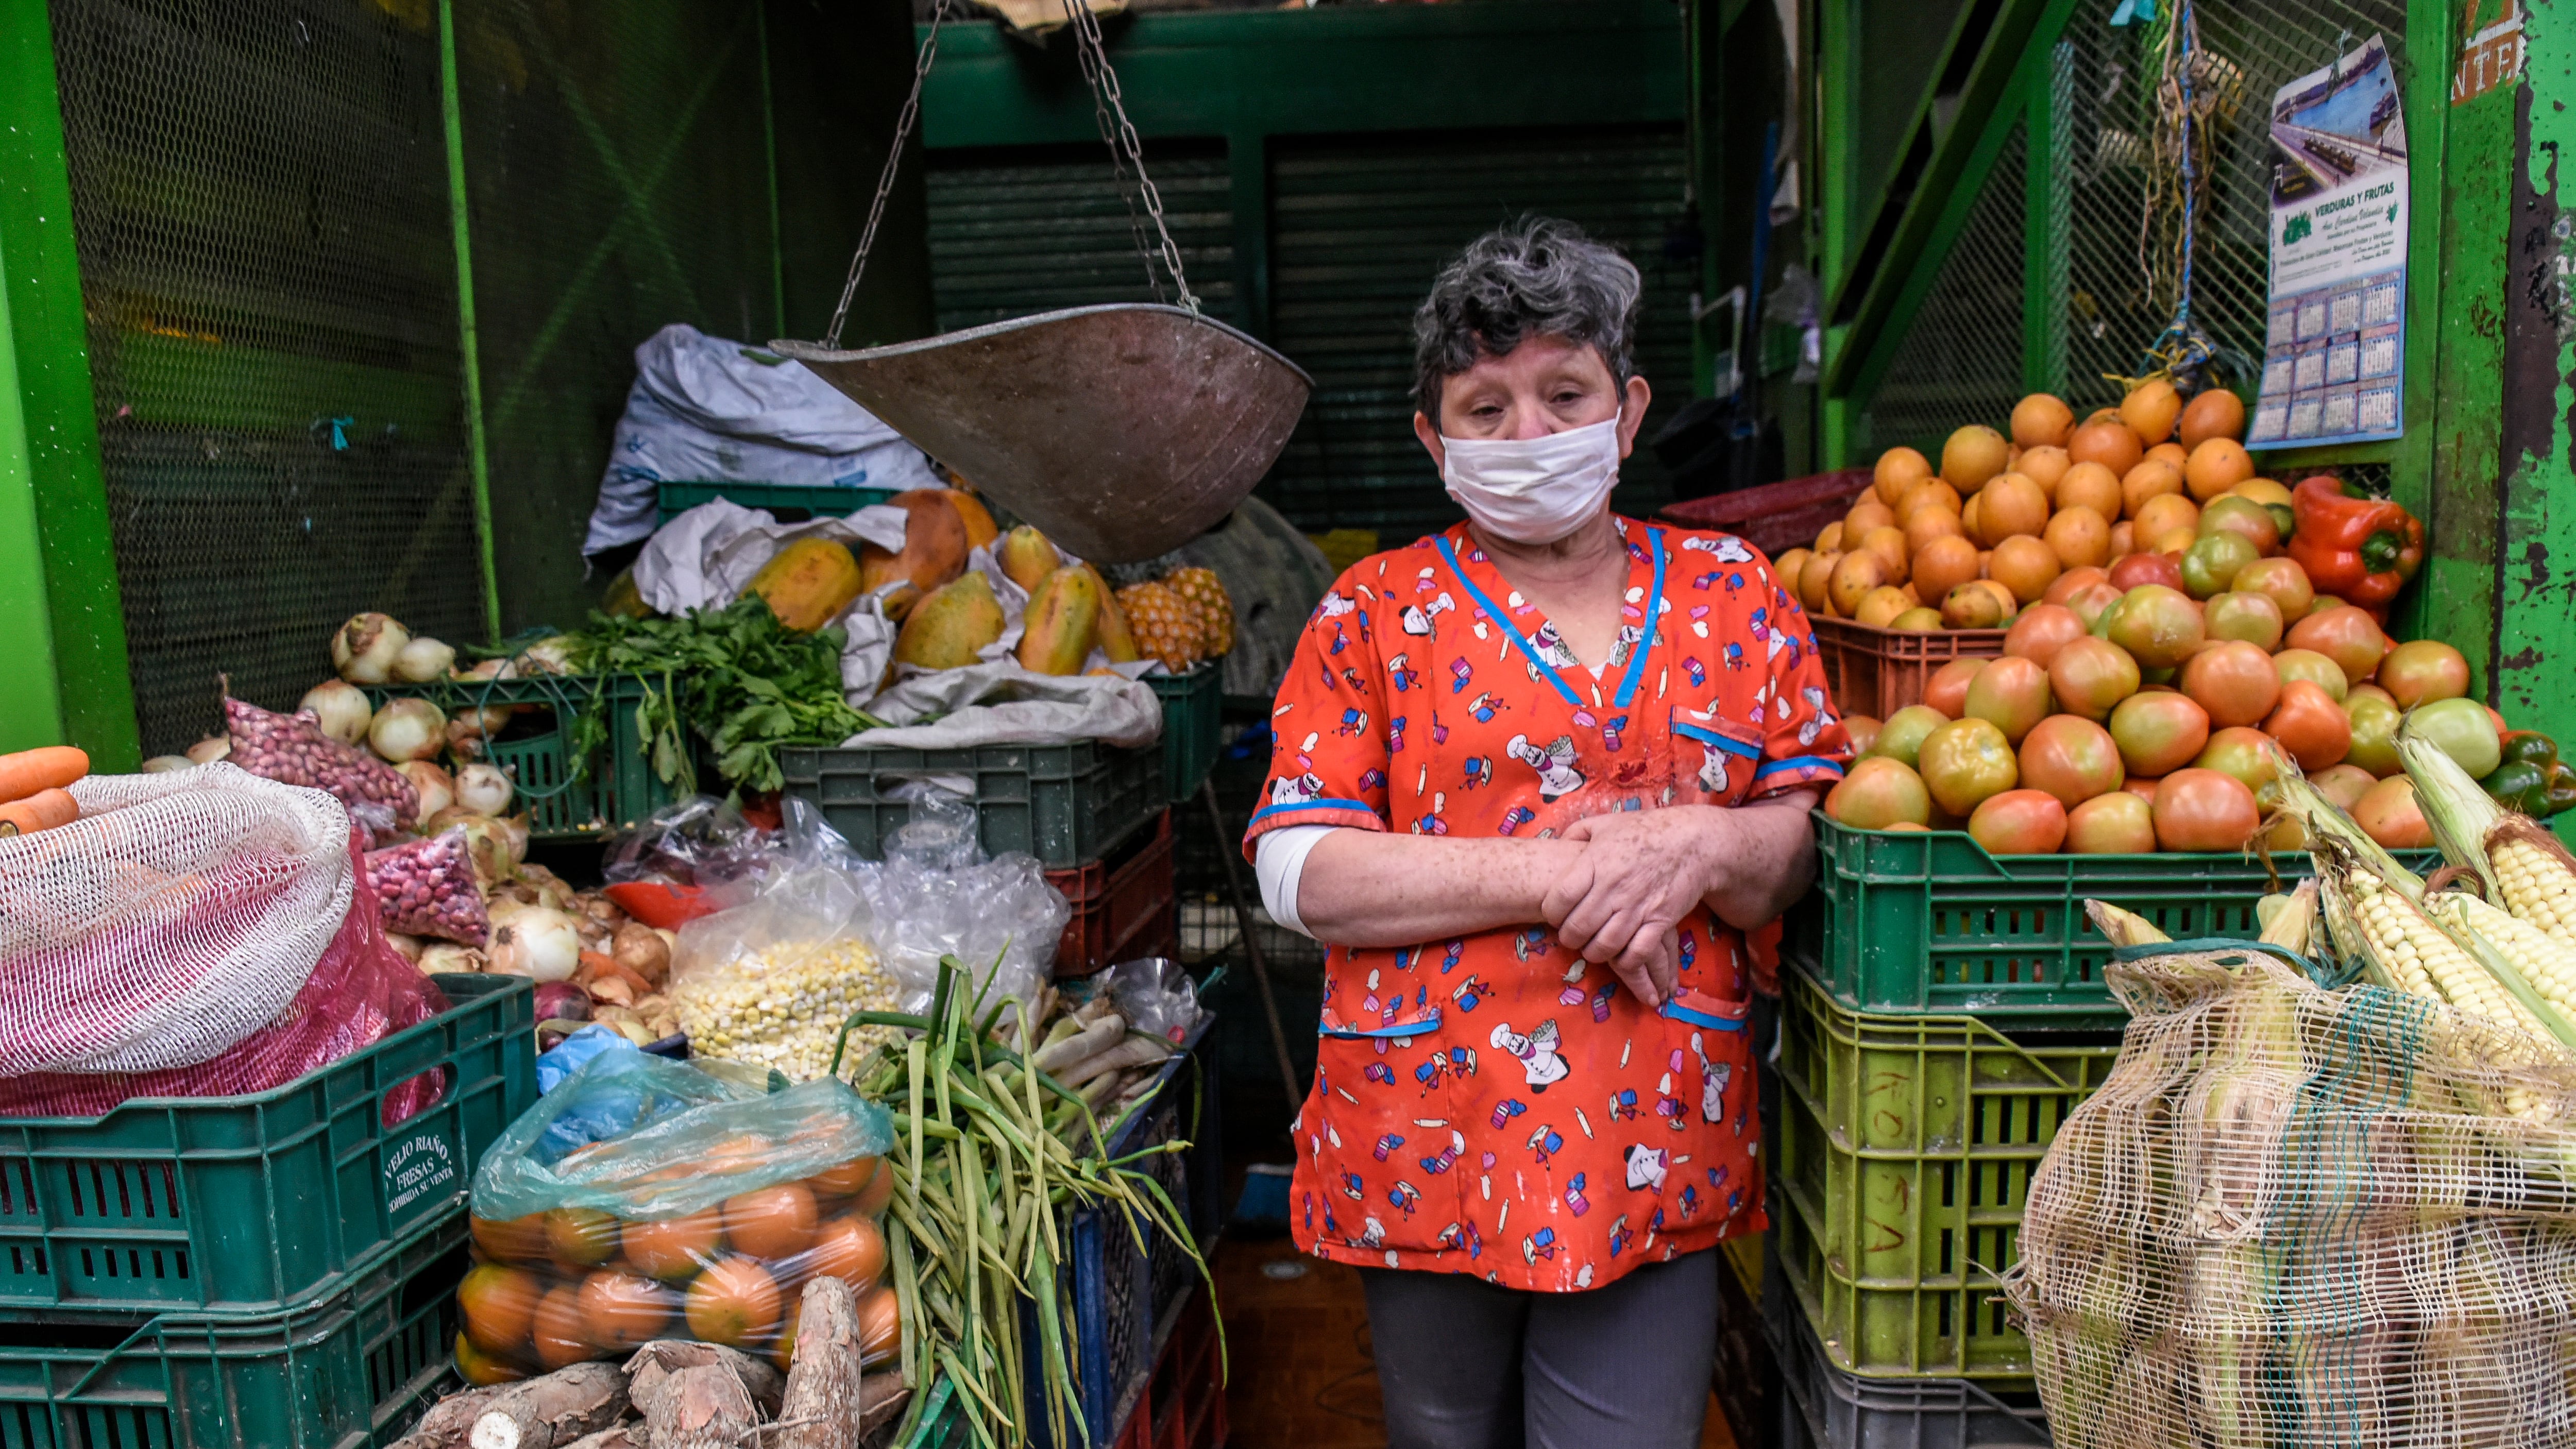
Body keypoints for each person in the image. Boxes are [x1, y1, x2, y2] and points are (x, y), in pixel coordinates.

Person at [1242, 217, 1850, 1449]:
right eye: (1484, 408)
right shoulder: (1372, 611)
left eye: (1563, 395)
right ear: (1433, 439)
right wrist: (1568, 872)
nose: (1529, 436)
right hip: (1428, 1123)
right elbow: (1300, 869)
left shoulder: (1734, 593)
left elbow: (1800, 835)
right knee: (1441, 1435)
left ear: (1627, 413)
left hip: (1654, 1123)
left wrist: (1700, 848)